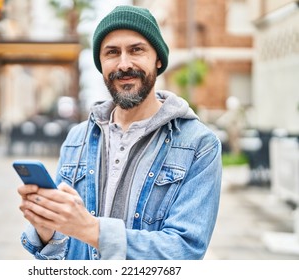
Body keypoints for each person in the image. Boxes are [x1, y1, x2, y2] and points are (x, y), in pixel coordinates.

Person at [18, 5, 222, 260]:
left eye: (136, 50)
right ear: (101, 63)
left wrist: (92, 230)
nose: (124, 64)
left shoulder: (199, 144)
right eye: (112, 53)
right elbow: (61, 255)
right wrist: (48, 229)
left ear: (158, 59)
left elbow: (185, 251)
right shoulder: (76, 139)